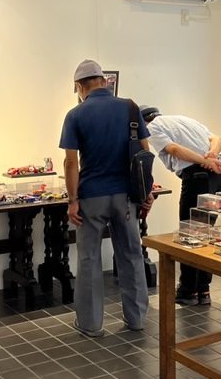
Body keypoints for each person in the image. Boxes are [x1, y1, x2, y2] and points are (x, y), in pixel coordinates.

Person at [59, 59, 154, 337]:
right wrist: (147, 192)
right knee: (131, 255)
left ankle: (90, 324)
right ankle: (136, 319)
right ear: (104, 81)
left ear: (79, 87)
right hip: (126, 196)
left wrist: (72, 200)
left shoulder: (75, 115)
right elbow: (145, 153)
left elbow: (71, 163)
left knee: (89, 259)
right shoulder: (130, 108)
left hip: (91, 197)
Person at [140, 106, 221, 306]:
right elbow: (218, 139)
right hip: (219, 179)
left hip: (198, 178)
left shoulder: (152, 127)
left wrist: (206, 161)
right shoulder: (183, 119)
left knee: (190, 235)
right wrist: (212, 156)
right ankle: (204, 289)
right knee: (206, 235)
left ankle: (188, 291)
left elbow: (174, 150)